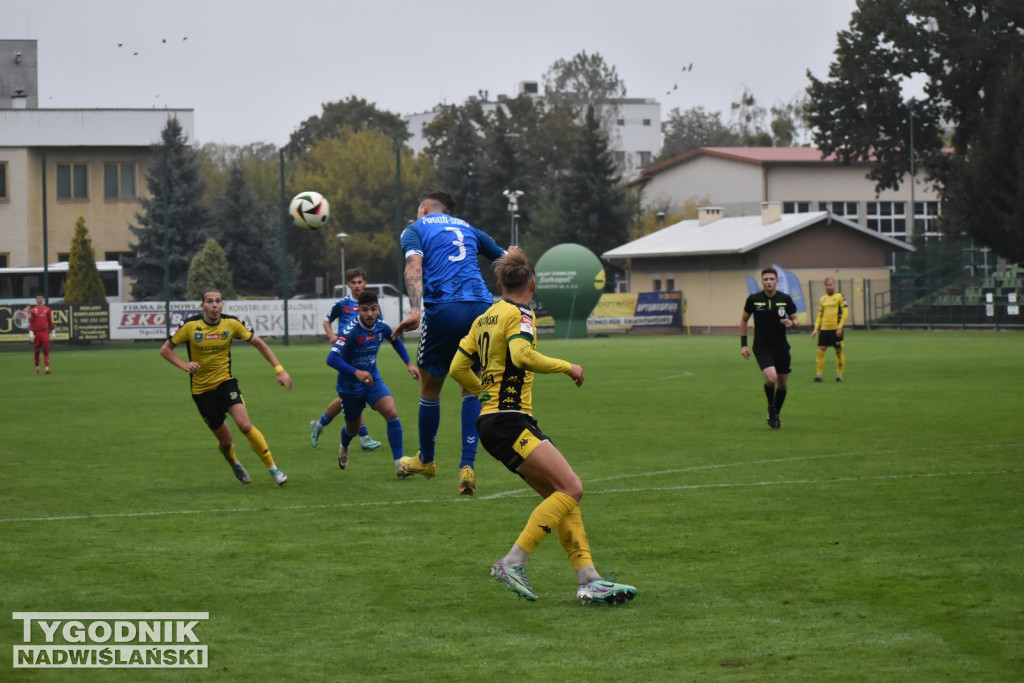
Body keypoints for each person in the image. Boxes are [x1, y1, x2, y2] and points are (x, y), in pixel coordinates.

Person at [449, 248, 637, 605]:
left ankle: (590, 579)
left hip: (493, 421)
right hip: (509, 420)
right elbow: (521, 356)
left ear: (501, 284)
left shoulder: (484, 318)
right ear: (532, 284)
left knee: (561, 496)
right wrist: (567, 366)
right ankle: (512, 562)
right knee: (572, 487)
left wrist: (484, 393)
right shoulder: (521, 314)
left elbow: (457, 369)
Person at [391, 190, 507, 496]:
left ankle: (426, 460)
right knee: (470, 383)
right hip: (483, 308)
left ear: (425, 208)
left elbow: (414, 267)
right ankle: (467, 466)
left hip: (446, 307)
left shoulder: (415, 229)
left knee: (430, 385)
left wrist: (415, 311)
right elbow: (508, 261)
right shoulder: (468, 228)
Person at [159, 287, 292, 486]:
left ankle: (273, 469)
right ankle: (233, 461)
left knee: (245, 425)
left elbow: (259, 343)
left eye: (218, 301)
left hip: (226, 384)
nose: (214, 306)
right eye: (210, 302)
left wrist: (279, 369)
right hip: (202, 392)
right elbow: (165, 350)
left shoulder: (232, 323)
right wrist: (184, 365)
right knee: (226, 442)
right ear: (202, 305)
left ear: (222, 303)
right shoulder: (189, 326)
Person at [326, 291, 419, 476]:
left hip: (372, 380)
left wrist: (408, 363)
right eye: (365, 310)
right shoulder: (350, 330)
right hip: (349, 386)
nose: (370, 314)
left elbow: (395, 340)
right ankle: (344, 443)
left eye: (373, 309)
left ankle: (399, 465)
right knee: (352, 430)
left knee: (391, 413)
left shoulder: (382, 326)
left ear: (378, 310)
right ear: (358, 310)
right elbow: (331, 358)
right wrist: (356, 372)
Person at [309, 267, 382, 452]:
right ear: (348, 284)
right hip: (345, 355)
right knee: (356, 393)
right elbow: (327, 321)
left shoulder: (371, 306)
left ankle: (319, 424)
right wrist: (331, 334)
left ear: (365, 283)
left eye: (360, 282)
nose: (357, 286)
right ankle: (364, 437)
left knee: (349, 396)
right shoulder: (342, 304)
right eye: (353, 283)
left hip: (362, 356)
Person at [740, 267, 799, 430]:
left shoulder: (785, 299)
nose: (768, 282)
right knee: (771, 378)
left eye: (771, 279)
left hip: (781, 347)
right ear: (762, 282)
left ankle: (775, 414)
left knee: (782, 384)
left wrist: (792, 323)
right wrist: (743, 344)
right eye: (765, 279)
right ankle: (771, 408)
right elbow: (743, 320)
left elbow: (796, 320)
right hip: (762, 346)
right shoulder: (754, 299)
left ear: (776, 281)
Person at [810, 276, 849, 382]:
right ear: (825, 287)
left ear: (834, 285)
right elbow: (820, 315)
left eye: (831, 285)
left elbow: (845, 312)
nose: (829, 287)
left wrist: (840, 327)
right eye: (827, 285)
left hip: (836, 330)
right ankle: (819, 375)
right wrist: (815, 329)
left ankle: (839, 375)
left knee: (838, 351)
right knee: (820, 351)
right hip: (824, 330)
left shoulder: (840, 297)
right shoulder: (823, 299)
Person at [26, 293, 54, 374]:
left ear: (43, 299)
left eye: (41, 298)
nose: (39, 299)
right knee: (37, 351)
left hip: (44, 333)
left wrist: (53, 331)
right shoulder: (33, 310)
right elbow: (31, 323)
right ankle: (37, 368)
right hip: (37, 333)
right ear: (36, 299)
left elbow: (50, 322)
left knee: (45, 350)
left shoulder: (47, 309)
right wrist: (31, 333)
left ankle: (47, 368)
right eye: (38, 298)